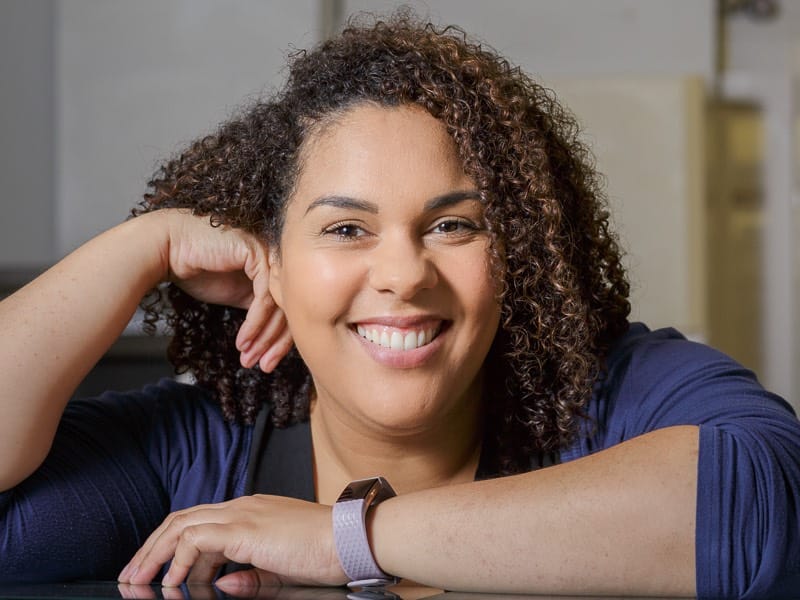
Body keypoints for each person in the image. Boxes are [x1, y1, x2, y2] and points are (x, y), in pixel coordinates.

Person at [1, 12, 799, 599]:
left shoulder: (615, 392)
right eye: (347, 228)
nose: (403, 274)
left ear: (515, 249)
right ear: (271, 263)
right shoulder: (199, 451)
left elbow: (766, 502)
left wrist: (346, 538)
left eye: (452, 224)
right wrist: (141, 247)